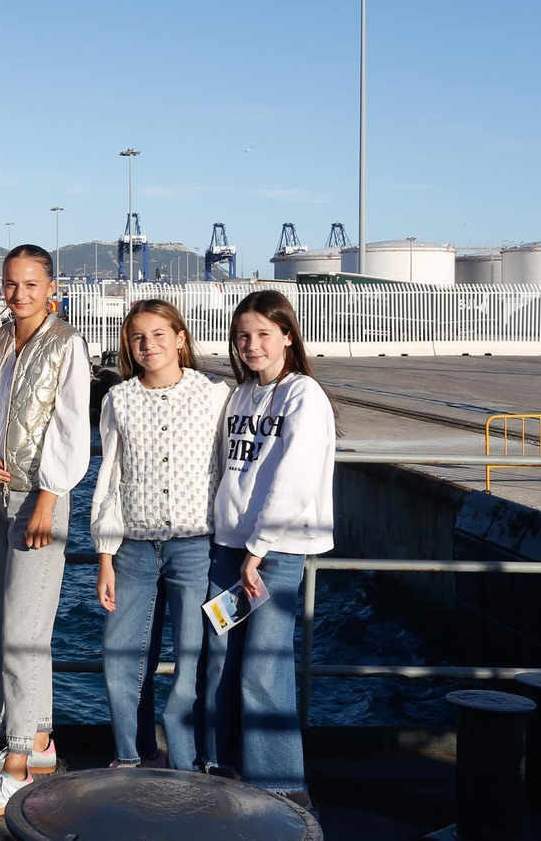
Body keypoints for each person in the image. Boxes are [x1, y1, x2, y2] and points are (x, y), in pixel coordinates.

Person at [0, 244, 92, 818]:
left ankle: (17, 765)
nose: (18, 294)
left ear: (51, 287)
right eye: (11, 284)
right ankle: (32, 738)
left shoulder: (67, 344)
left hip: (38, 497)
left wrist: (48, 495)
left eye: (31, 284)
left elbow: (70, 427)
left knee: (24, 628)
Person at [205, 289, 336, 808]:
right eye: (243, 336)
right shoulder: (241, 395)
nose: (252, 345)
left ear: (287, 335)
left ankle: (282, 787)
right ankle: (226, 765)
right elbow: (229, 468)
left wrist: (257, 549)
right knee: (222, 656)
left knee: (264, 664)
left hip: (275, 552)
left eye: (263, 334)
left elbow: (295, 477)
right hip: (230, 546)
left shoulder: (304, 394)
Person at [91, 299, 228, 772]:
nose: (148, 345)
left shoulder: (214, 395)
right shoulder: (118, 399)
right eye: (138, 338)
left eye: (158, 334)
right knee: (122, 655)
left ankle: (192, 765)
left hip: (197, 547)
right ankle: (135, 755)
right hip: (132, 549)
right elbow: (110, 479)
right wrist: (105, 556)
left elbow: (228, 469)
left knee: (193, 659)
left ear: (180, 338)